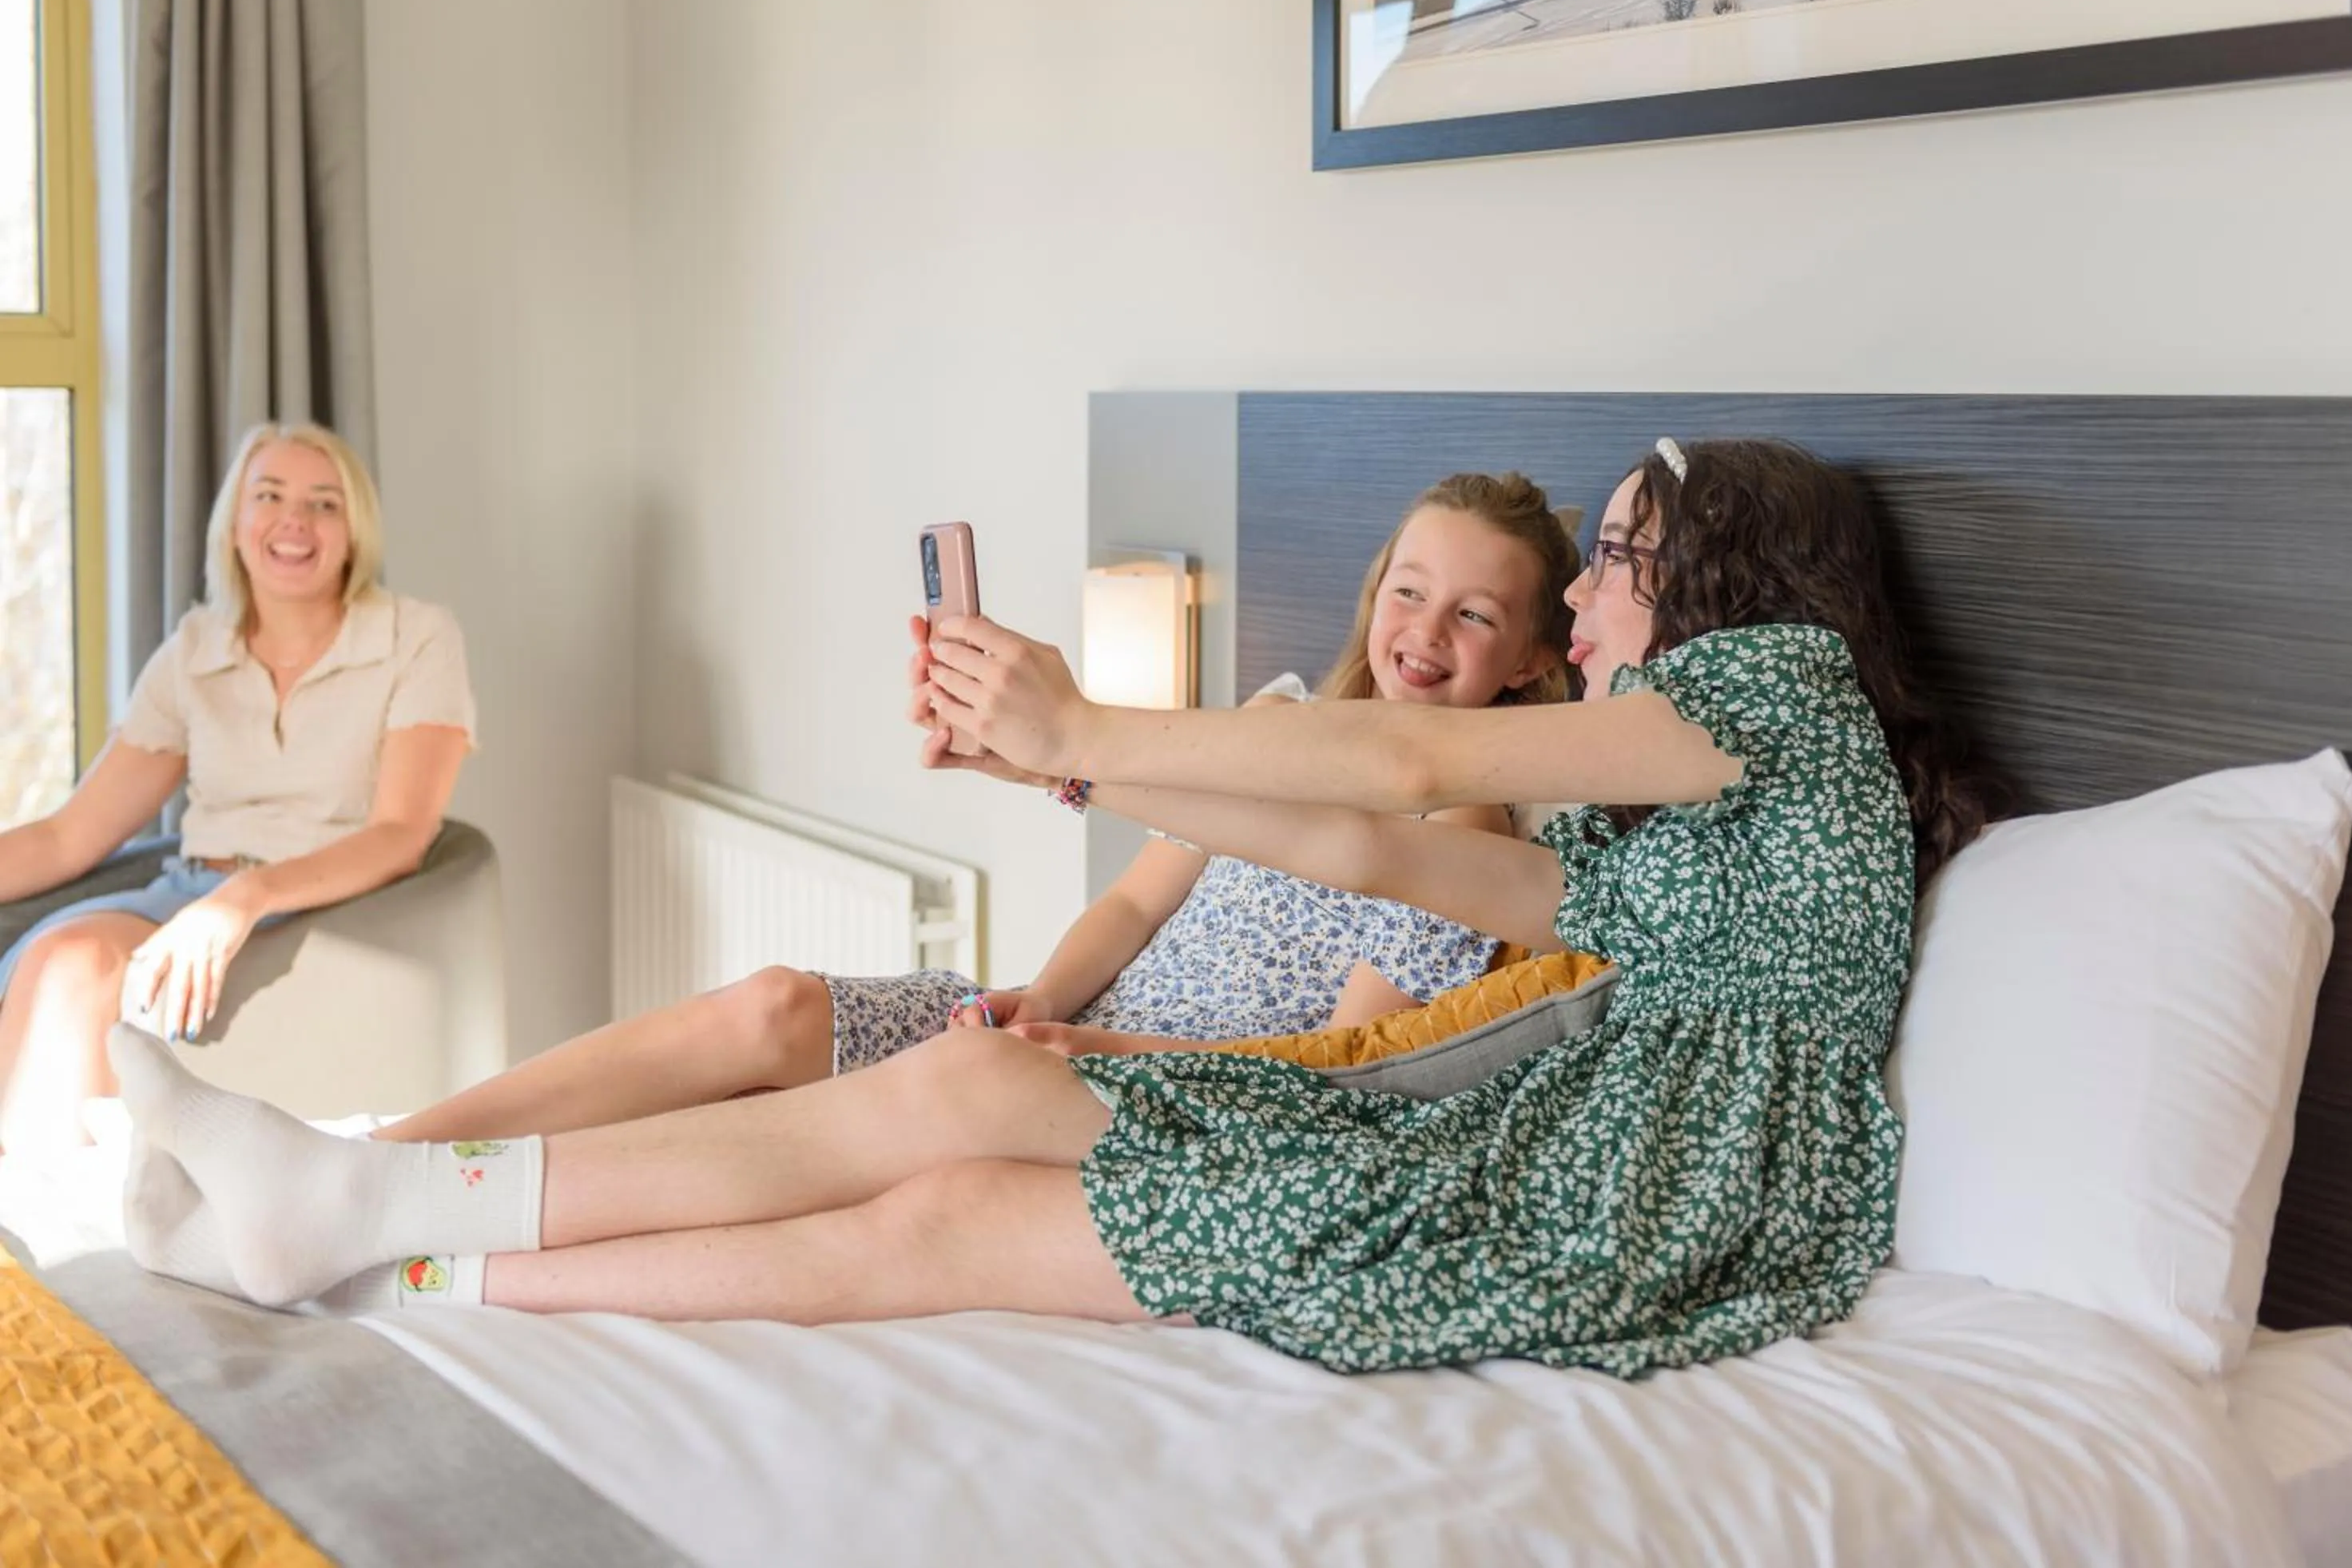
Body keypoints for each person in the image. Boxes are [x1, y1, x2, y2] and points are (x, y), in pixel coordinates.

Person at [113, 437, 1981, 1383]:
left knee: (940, 1173)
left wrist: (1083, 719)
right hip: (1574, 1147)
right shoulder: (1685, 833)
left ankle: (385, 1230)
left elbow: (1416, 798)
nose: (1580, 613)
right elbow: (1396, 853)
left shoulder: (1778, 695)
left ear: (1710, 576)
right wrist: (1068, 775)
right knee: (922, 1133)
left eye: (1603, 572)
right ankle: (371, 1215)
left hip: (1601, 1191)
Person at [375, 470, 1581, 1144]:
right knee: (774, 1007)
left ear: (1531, 656)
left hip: (1163, 1088)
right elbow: (1131, 902)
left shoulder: (1467, 837)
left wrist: (1086, 1045)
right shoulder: (1268, 719)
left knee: (794, 1118)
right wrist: (1037, 998)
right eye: (1412, 589)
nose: (1424, 630)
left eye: (1475, 615)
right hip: (1058, 1027)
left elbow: (1331, 1067)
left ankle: (465, 1195)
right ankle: (400, 1151)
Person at [0, 423, 474, 1155]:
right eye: (270, 496)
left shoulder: (416, 639)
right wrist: (215, 901)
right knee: (62, 962)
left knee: (67, 969)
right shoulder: (195, 651)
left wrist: (245, 900)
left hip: (332, 910)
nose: (295, 520)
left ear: (354, 534)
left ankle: (46, 1244)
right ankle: (38, 1240)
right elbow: (70, 836)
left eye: (324, 503)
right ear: (236, 526)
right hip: (189, 897)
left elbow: (402, 835)